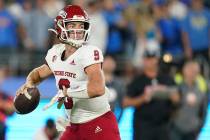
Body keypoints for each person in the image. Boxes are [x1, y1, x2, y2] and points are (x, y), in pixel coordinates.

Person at [16, 5, 120, 140]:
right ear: (60, 27)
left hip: (98, 122)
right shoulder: (55, 53)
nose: (78, 29)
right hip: (74, 126)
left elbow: (97, 88)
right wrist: (29, 82)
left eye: (81, 25)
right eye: (73, 25)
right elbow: (38, 74)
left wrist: (67, 93)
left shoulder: (89, 52)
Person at [123, 47, 180, 140]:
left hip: (163, 125)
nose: (150, 62)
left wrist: (173, 97)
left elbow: (177, 100)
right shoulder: (137, 81)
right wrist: (143, 98)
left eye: (152, 59)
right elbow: (125, 103)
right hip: (143, 126)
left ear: (157, 60)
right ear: (143, 60)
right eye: (147, 59)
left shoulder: (167, 79)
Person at [170, 60, 209, 140]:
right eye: (191, 70)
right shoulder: (175, 85)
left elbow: (203, 111)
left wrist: (198, 127)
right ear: (184, 70)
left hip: (192, 130)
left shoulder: (201, 89)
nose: (193, 73)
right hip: (175, 128)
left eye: (195, 71)